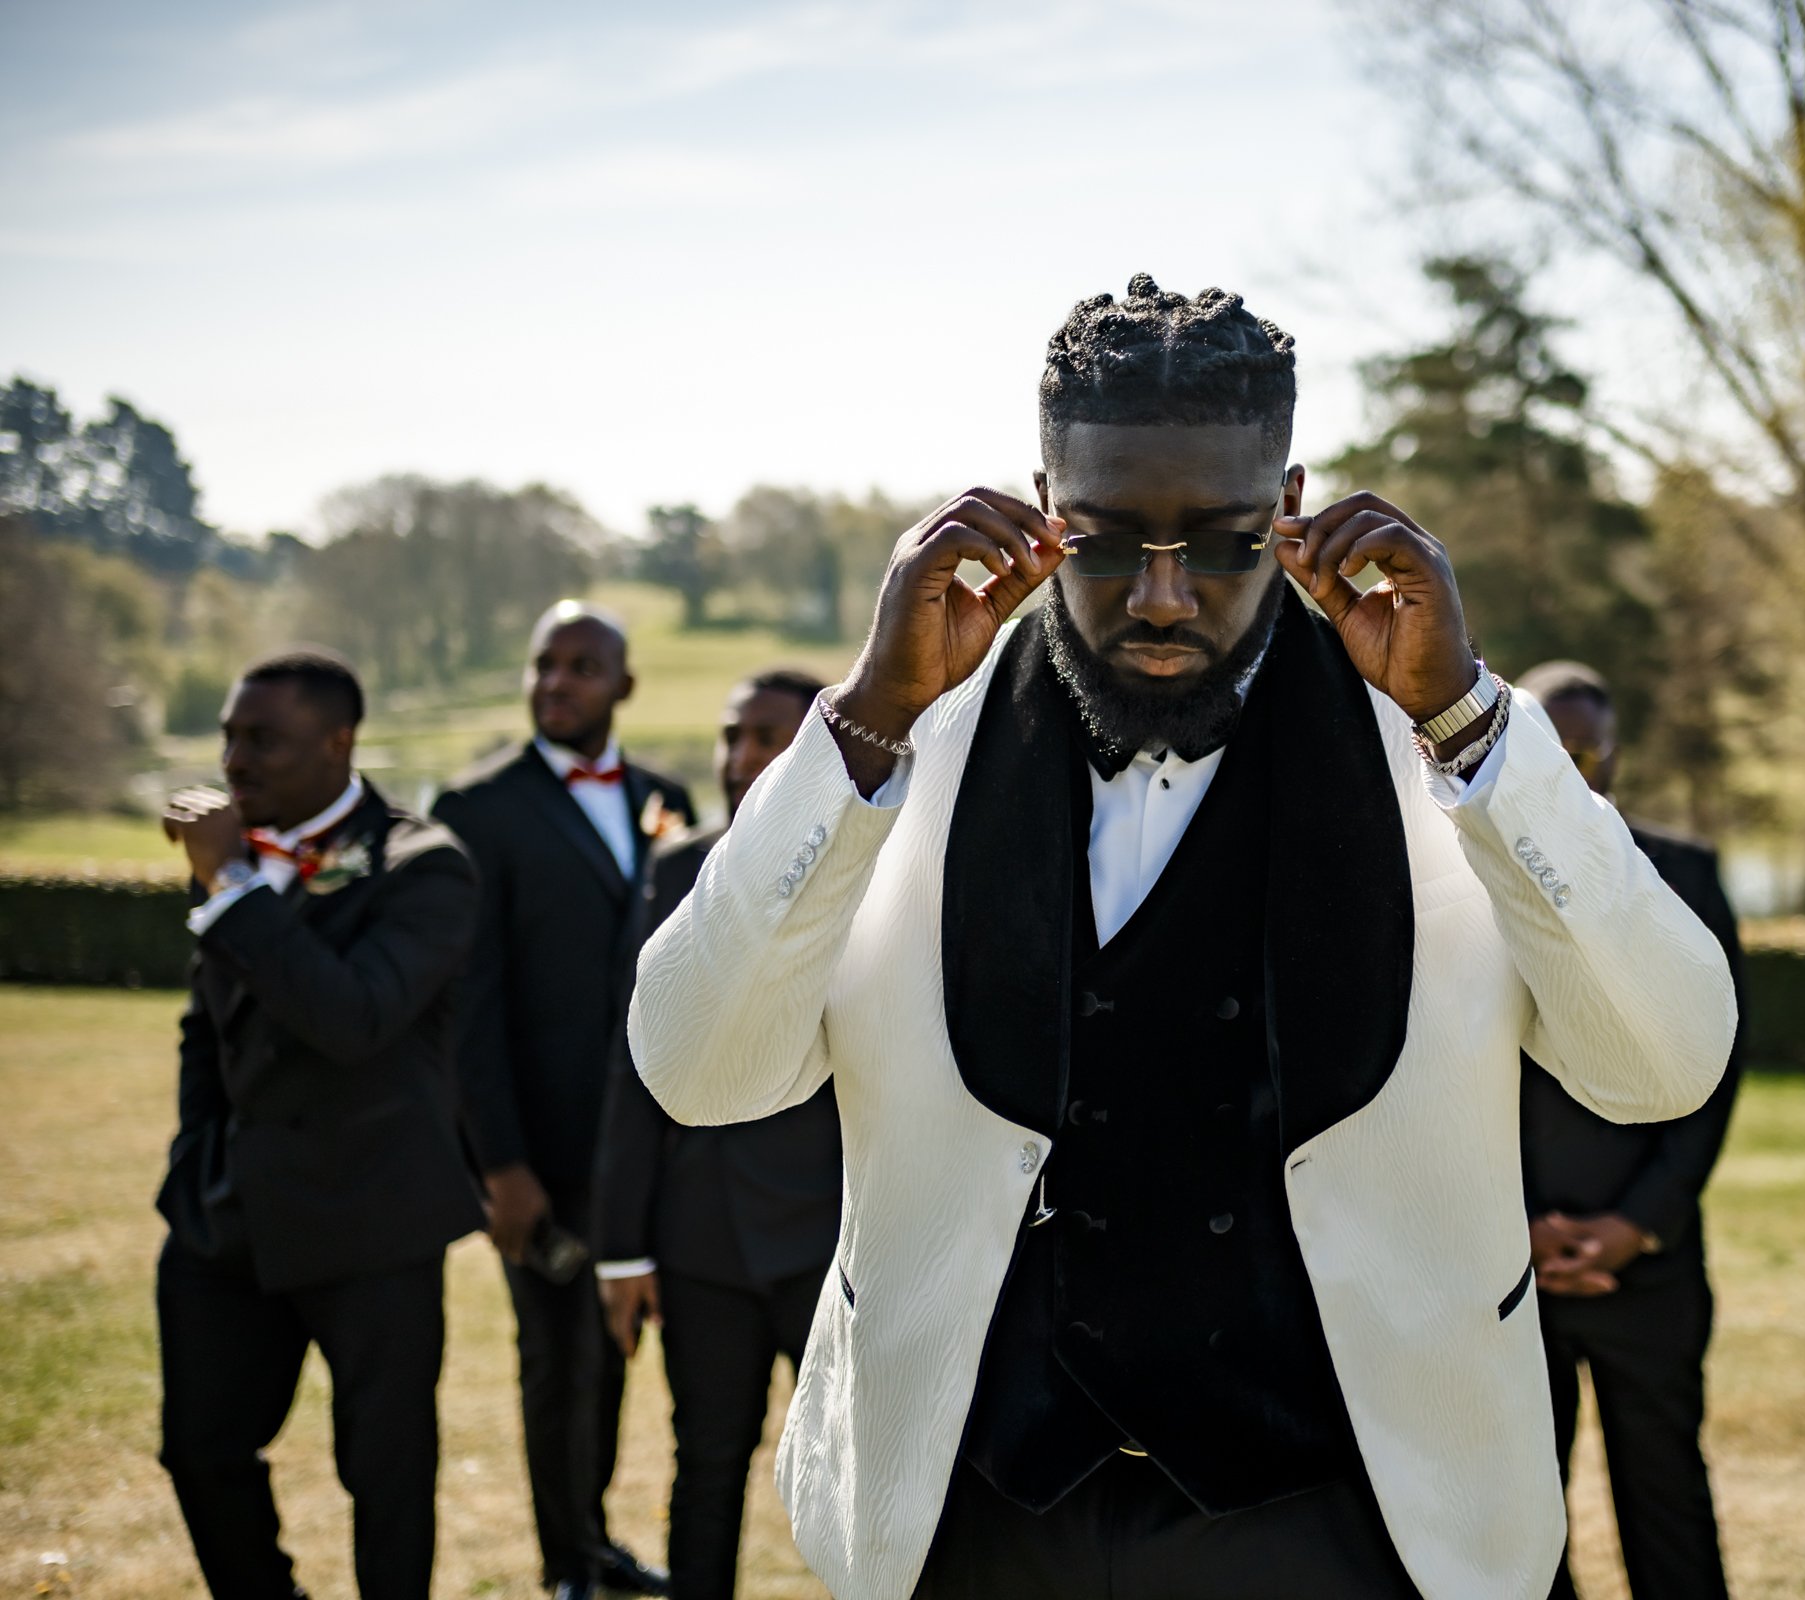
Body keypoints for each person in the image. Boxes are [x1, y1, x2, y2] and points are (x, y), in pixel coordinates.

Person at [628, 274, 1738, 1600]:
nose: (1163, 597)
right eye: (1106, 542)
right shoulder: (907, 732)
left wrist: (1477, 733)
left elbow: (1663, 1064)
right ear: (1045, 510)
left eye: (1219, 541)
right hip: (970, 1516)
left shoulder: (1440, 740)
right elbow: (700, 1069)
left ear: (1289, 503)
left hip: (1353, 1515)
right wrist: (862, 725)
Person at [154, 650, 486, 1599]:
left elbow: (354, 1018)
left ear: (338, 742)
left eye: (262, 740)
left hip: (374, 1219)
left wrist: (230, 889)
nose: (233, 762)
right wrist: (195, 1161)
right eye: (228, 736)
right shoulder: (235, 860)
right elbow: (204, 1032)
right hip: (228, 1216)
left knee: (385, 1477)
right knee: (200, 1451)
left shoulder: (424, 867)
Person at [434, 602, 693, 1600]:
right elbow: (469, 1007)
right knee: (556, 1361)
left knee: (615, 1349)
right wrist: (498, 1166)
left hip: (643, 1147)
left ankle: (593, 1539)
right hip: (537, 1153)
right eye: (546, 664)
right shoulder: (479, 807)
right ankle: (566, 1567)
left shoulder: (662, 797)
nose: (559, 682)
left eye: (584, 666)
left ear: (623, 685)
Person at [592, 669, 843, 1599]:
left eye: (766, 737)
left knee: (854, 1473)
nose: (740, 760)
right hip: (702, 1237)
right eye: (730, 737)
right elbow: (635, 1064)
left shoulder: (877, 857)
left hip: (832, 1227)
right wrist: (621, 1246)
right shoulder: (674, 867)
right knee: (704, 1461)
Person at [1512, 661, 1742, 1600]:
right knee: (1524, 1512)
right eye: (1552, 751)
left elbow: (1714, 1072)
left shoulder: (1683, 875)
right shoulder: (1458, 870)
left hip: (1646, 1261)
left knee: (1667, 1499)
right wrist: (1510, 1224)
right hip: (1510, 1265)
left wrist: (1638, 1222)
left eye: (1588, 751)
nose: (1573, 768)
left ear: (1612, 754)